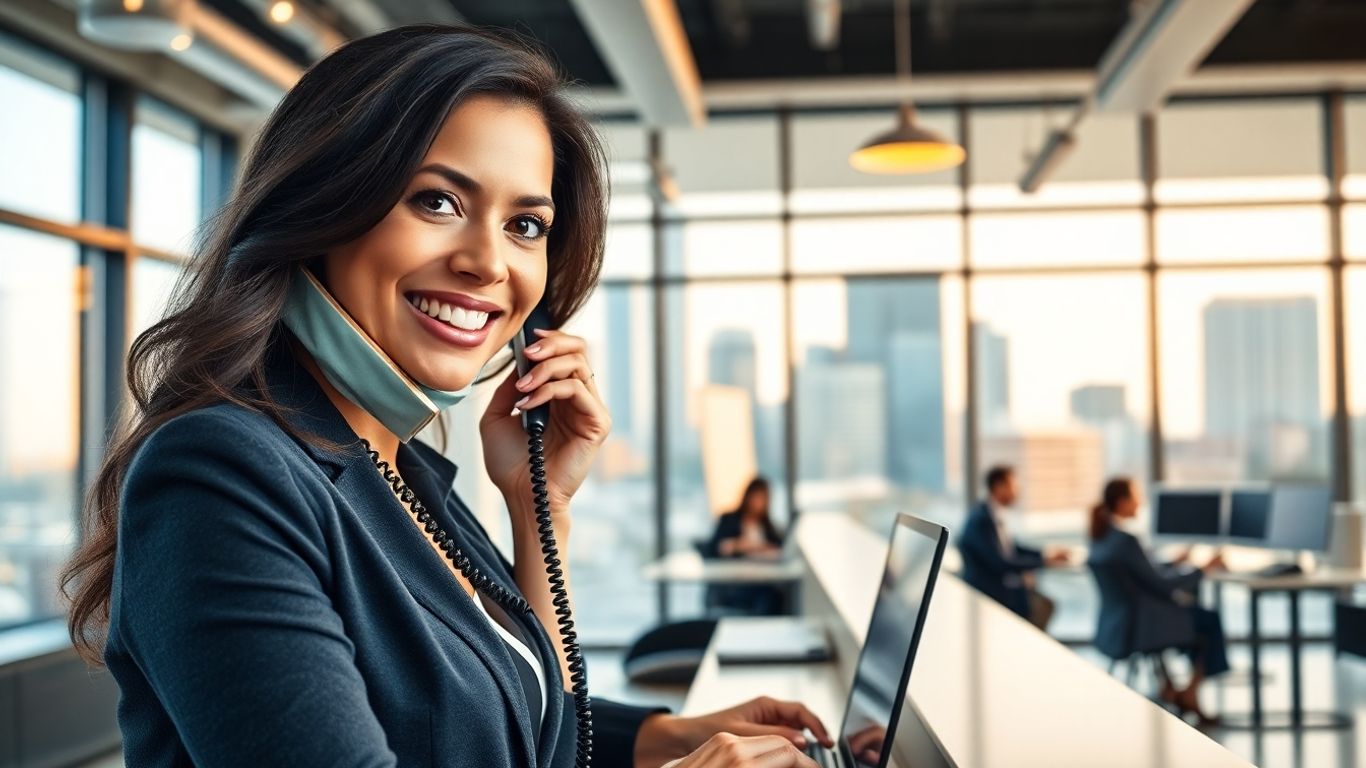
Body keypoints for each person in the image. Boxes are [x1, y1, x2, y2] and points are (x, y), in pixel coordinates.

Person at [58, 24, 832, 768]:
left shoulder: (408, 473)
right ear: (322, 206)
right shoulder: (220, 472)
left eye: (526, 224)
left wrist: (540, 513)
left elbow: (514, 730)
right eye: (437, 202)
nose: (488, 263)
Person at [1087, 477, 1229, 726]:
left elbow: (1142, 574)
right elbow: (1162, 585)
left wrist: (1172, 563)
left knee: (1195, 617)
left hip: (1122, 625)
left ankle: (1173, 688)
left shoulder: (1102, 537)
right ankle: (1189, 693)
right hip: (1145, 626)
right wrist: (1202, 569)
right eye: (1135, 497)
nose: (1139, 502)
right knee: (1208, 620)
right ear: (1121, 502)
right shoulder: (1126, 540)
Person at [957, 465, 1069, 629]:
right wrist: (1044, 562)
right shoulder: (981, 520)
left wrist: (1045, 554)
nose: (1017, 491)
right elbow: (1000, 563)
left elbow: (1012, 548)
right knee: (1043, 606)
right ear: (999, 487)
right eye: (1013, 486)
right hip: (989, 595)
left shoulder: (991, 514)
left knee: (1042, 602)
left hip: (998, 589)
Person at [705, 478, 785, 615]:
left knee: (774, 596)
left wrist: (765, 548)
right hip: (735, 581)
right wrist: (738, 545)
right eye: (756, 497)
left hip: (761, 578)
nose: (758, 502)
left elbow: (779, 547)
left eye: (762, 498)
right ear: (747, 496)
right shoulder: (729, 519)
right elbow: (714, 549)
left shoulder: (767, 525)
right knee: (767, 597)